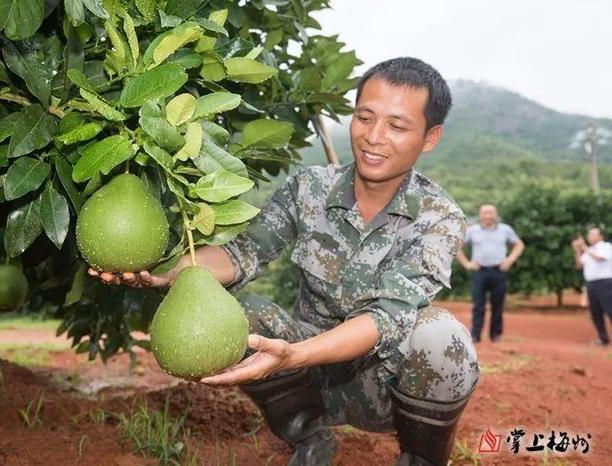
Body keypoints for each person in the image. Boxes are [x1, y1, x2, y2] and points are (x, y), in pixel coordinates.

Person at [91, 57, 480, 466]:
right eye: (365, 117)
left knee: (440, 337)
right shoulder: (309, 188)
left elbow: (387, 318)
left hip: (381, 388)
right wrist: (166, 273)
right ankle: (310, 438)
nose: (374, 137)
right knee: (238, 313)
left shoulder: (439, 217)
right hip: (303, 382)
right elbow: (242, 253)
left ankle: (421, 458)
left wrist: (296, 354)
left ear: (430, 137)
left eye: (397, 126)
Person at [455, 204, 525, 343]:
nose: (488, 215)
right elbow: (456, 247)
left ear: (496, 214)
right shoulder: (472, 230)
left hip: (498, 272)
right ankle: (475, 335)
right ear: (480, 215)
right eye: (485, 213)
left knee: (498, 305)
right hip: (479, 272)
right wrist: (467, 263)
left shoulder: (505, 230)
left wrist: (509, 260)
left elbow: (519, 245)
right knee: (478, 305)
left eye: (491, 212)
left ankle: (496, 335)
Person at [572, 228, 612, 346]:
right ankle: (603, 338)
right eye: (588, 234)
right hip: (591, 284)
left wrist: (584, 247)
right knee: (595, 312)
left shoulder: (606, 246)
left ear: (600, 236)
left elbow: (600, 259)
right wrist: (577, 251)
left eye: (592, 234)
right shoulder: (589, 250)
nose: (589, 237)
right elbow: (579, 265)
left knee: (610, 310)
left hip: (605, 282)